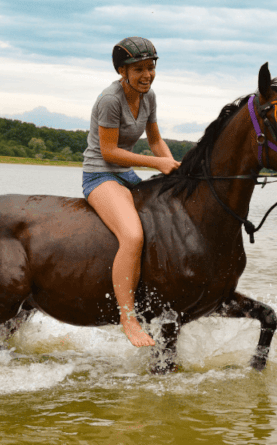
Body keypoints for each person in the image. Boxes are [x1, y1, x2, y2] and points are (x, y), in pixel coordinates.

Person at [82, 37, 181, 347]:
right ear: (121, 71)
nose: (147, 75)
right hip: (100, 173)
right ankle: (127, 316)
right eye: (138, 69)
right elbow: (109, 152)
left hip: (125, 173)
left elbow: (155, 141)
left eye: (151, 67)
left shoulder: (148, 96)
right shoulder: (110, 100)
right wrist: (157, 163)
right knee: (133, 236)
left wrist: (170, 165)